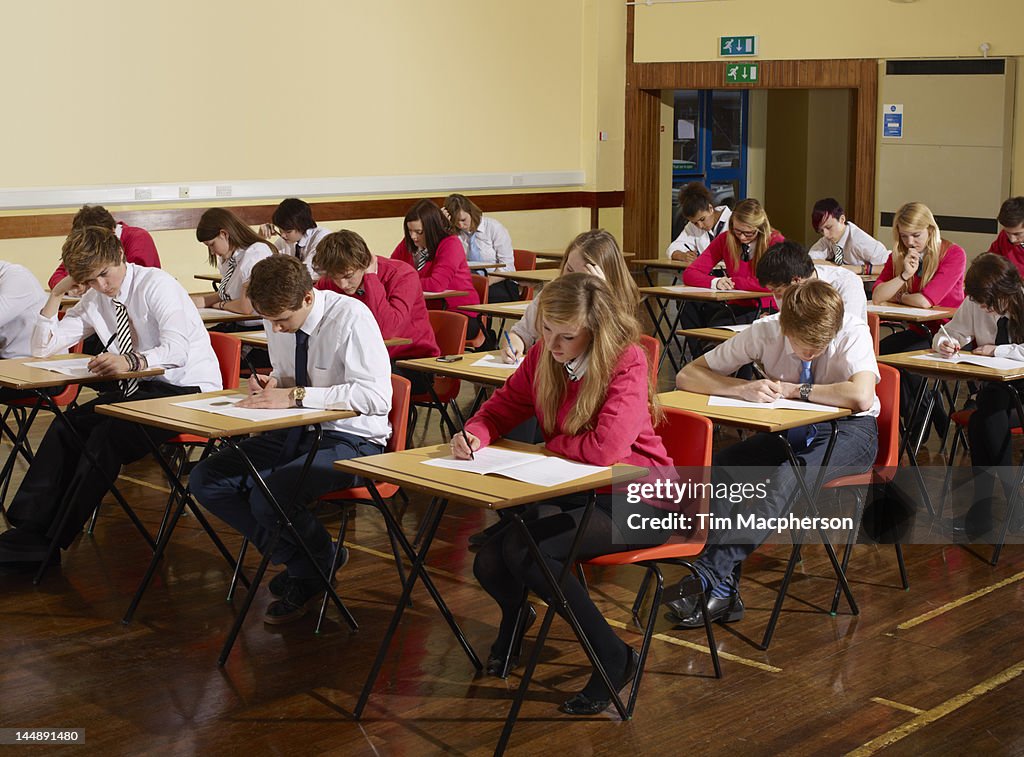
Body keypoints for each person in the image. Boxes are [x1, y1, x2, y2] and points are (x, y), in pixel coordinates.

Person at [453, 273, 676, 715]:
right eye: (547, 331)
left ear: (595, 329)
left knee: (528, 551)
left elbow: (606, 450)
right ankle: (517, 617)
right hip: (579, 490)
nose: (552, 345)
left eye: (567, 336)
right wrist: (475, 431)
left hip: (646, 500)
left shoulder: (625, 361)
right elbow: (500, 409)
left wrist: (551, 443)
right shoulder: (543, 357)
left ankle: (615, 657)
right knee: (490, 560)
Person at [0, 225, 222, 570]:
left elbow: (176, 351)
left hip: (187, 391)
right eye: (90, 280)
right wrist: (57, 293)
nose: (102, 285)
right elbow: (42, 349)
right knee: (67, 426)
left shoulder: (157, 285)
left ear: (119, 256)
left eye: (104, 274)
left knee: (106, 437)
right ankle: (29, 530)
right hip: (143, 389)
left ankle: (52, 542)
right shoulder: (95, 296)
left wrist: (129, 360)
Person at [188, 255, 392, 624]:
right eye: (269, 320)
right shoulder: (277, 319)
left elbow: (377, 398)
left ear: (309, 298)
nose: (276, 329)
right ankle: (314, 560)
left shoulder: (352, 318)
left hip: (352, 439)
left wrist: (297, 395)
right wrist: (272, 385)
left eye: (282, 320)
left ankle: (308, 569)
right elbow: (287, 378)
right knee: (206, 480)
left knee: (270, 494)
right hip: (297, 428)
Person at [668, 279, 879, 626]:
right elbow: (688, 375)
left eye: (820, 345)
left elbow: (861, 397)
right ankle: (723, 591)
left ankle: (706, 574)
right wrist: (743, 387)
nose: (812, 352)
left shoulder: (851, 330)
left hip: (852, 431)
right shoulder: (765, 330)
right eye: (804, 345)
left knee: (785, 479)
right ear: (784, 324)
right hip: (791, 427)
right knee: (721, 468)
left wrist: (798, 389)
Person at [933, 254, 1024, 538]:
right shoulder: (975, 303)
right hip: (996, 391)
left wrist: (997, 351)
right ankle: (1006, 508)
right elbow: (949, 331)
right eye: (979, 303)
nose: (983, 308)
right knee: (983, 418)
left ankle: (992, 510)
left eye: (989, 303)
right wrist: (945, 343)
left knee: (987, 419)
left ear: (1005, 292)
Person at [873, 202, 966, 432]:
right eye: (905, 237)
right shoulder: (900, 256)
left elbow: (926, 301)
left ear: (930, 230)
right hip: (919, 330)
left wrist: (900, 294)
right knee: (879, 353)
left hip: (948, 333)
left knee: (907, 358)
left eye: (916, 235)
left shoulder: (953, 254)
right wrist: (904, 275)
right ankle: (924, 411)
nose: (911, 242)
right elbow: (878, 296)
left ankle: (918, 425)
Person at [312, 229, 439, 391]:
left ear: (365, 262)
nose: (342, 285)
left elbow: (387, 331)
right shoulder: (332, 280)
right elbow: (311, 313)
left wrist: (371, 278)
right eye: (335, 278)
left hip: (411, 362)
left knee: (353, 382)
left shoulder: (403, 275)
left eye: (348, 276)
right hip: (360, 358)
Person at [502, 229, 639, 363]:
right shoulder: (552, 292)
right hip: (544, 373)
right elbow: (521, 332)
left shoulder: (617, 302)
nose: (571, 280)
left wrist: (602, 298)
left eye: (582, 276)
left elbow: (614, 349)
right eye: (569, 269)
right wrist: (513, 346)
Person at [390, 199, 482, 339]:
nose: (413, 236)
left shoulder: (450, 244)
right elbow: (392, 272)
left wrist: (404, 283)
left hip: (457, 314)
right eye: (410, 231)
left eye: (419, 232)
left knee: (407, 338)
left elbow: (436, 284)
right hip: (423, 313)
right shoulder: (409, 244)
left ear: (432, 229)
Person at [192, 207, 276, 330]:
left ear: (224, 234)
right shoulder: (230, 258)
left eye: (212, 245)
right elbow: (228, 294)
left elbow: (245, 307)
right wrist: (194, 302)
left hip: (256, 326)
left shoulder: (256, 253)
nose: (212, 251)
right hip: (236, 322)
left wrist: (221, 305)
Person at [48, 205, 161, 292]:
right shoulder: (88, 246)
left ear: (112, 230)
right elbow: (57, 277)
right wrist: (76, 285)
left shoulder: (138, 237)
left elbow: (132, 281)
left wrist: (90, 283)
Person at [756, 240, 868, 321]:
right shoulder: (787, 287)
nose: (777, 297)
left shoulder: (846, 284)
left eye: (778, 291)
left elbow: (846, 332)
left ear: (796, 280)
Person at [443, 194, 519, 303]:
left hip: (498, 282)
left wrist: (484, 282)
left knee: (469, 297)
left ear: (471, 212)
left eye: (463, 219)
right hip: (468, 283)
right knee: (449, 298)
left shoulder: (494, 228)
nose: (460, 225)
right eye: (455, 221)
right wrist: (443, 225)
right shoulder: (454, 233)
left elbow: (508, 266)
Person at [807, 198, 889, 274]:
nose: (825, 234)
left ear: (842, 219)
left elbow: (889, 267)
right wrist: (838, 267)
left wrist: (860, 269)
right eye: (821, 230)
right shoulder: (828, 239)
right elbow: (809, 260)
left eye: (829, 227)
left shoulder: (859, 240)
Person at [259, 197, 332, 278]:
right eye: (280, 230)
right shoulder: (284, 240)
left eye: (288, 232)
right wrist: (261, 239)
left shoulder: (322, 237)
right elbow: (265, 264)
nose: (283, 235)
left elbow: (306, 273)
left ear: (302, 225)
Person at [665, 182, 732, 263]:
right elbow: (673, 248)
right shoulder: (692, 227)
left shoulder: (734, 221)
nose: (700, 226)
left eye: (702, 219)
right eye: (695, 223)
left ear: (710, 208)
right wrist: (682, 256)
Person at [987, 196, 1024, 277]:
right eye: (1008, 233)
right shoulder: (1003, 237)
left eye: (1017, 234)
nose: (1012, 239)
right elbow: (989, 263)